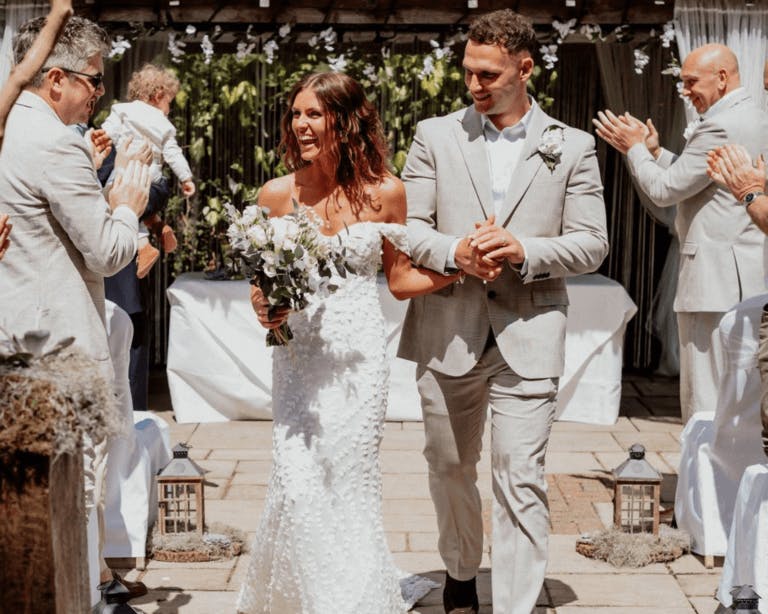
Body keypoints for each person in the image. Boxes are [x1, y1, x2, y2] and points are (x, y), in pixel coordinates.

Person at [397, 9, 609, 614]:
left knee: (519, 476)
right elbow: (409, 227)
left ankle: (516, 604)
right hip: (446, 329)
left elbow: (593, 242)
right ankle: (461, 572)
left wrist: (526, 250)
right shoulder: (433, 135)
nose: (474, 85)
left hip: (530, 329)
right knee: (449, 465)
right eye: (468, 73)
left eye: (488, 75)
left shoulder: (572, 146)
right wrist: (457, 252)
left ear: (525, 68)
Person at [237, 71, 460, 614]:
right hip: (298, 360)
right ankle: (303, 596)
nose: (301, 124)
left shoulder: (387, 192)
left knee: (347, 480)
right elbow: (259, 286)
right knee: (296, 479)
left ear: (346, 119)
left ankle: (350, 599)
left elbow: (402, 280)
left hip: (359, 360)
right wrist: (266, 308)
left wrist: (462, 268)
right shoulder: (276, 194)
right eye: (296, 114)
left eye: (314, 113)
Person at [0, 14, 150, 598]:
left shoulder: (13, 129)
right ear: (55, 78)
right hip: (57, 347)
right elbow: (110, 253)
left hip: (19, 333)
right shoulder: (53, 144)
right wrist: (127, 204)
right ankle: (84, 599)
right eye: (93, 78)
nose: (100, 91)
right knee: (73, 496)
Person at [593, 43, 768, 425]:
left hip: (714, 279)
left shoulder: (721, 123)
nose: (685, 91)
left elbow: (664, 190)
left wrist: (634, 149)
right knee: (738, 398)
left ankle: (701, 481)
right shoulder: (751, 115)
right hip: (742, 275)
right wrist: (657, 153)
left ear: (721, 78)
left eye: (691, 82)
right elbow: (700, 181)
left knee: (704, 399)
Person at [101, 63, 194, 278]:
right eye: (169, 103)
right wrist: (186, 177)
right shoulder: (164, 123)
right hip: (158, 187)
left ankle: (143, 245)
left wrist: (99, 140)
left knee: (113, 204)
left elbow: (109, 132)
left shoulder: (122, 110)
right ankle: (159, 227)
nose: (169, 109)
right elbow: (173, 153)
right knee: (142, 209)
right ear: (158, 95)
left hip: (131, 183)